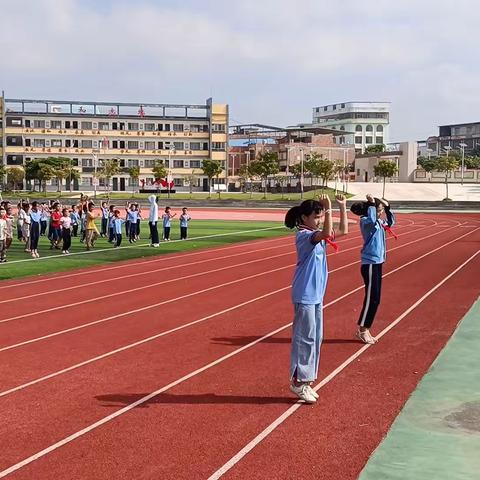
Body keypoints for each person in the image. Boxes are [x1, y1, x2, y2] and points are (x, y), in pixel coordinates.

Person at [284, 195, 349, 404]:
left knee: (315, 338)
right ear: (304, 218)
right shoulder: (305, 236)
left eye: (321, 217)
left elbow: (342, 231)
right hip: (305, 294)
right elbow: (326, 232)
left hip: (316, 295)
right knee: (304, 338)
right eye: (316, 216)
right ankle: (298, 381)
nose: (320, 220)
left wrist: (341, 207)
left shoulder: (316, 234)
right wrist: (329, 210)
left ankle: (307, 380)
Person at [350, 194, 395, 344]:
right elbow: (372, 219)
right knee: (372, 299)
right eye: (379, 210)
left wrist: (387, 207)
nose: (381, 212)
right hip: (369, 263)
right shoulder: (366, 221)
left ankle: (365, 329)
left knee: (376, 299)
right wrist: (371, 204)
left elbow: (391, 222)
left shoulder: (379, 222)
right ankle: (363, 330)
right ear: (372, 210)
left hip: (377, 263)